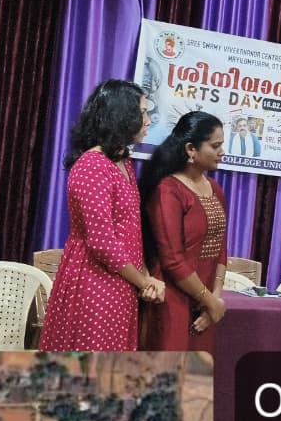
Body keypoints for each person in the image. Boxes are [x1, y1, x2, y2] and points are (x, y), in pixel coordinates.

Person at [40, 80, 165, 351]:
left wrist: (144, 277)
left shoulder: (123, 163)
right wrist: (143, 281)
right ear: (121, 116)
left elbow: (131, 230)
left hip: (122, 283)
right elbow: (102, 243)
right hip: (94, 283)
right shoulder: (92, 165)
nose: (148, 120)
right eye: (143, 113)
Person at [138, 111, 229, 351]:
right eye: (215, 146)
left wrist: (215, 299)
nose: (222, 152)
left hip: (206, 305)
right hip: (172, 301)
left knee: (197, 371)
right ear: (191, 149)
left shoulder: (215, 189)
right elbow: (173, 260)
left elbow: (221, 249)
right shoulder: (168, 190)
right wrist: (209, 300)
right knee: (168, 370)